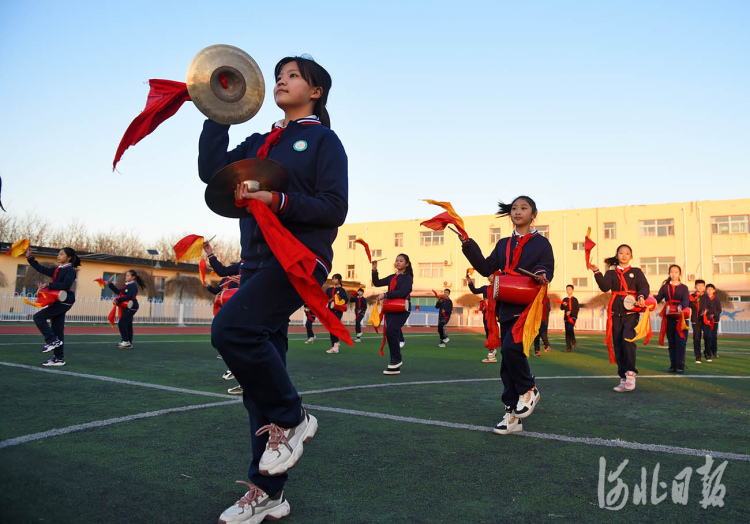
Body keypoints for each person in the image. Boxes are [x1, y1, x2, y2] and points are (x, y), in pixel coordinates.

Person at [198, 55, 347, 521]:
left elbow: (333, 207)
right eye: (279, 75)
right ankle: (269, 493)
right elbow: (212, 172)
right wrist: (215, 112)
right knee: (257, 387)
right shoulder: (260, 140)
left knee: (231, 331)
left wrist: (275, 199)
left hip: (298, 260)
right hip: (257, 263)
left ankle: (295, 417)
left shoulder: (322, 139)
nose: (281, 81)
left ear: (316, 91)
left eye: (293, 76)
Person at [460, 196, 553, 435]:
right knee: (506, 364)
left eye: (524, 208)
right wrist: (467, 243)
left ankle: (529, 389)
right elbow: (486, 268)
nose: (518, 211)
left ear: (533, 214)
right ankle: (512, 416)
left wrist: (541, 274)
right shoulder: (503, 244)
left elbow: (546, 266)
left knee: (511, 349)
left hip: (528, 307)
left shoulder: (542, 243)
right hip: (506, 306)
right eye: (514, 208)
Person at [589, 244, 649, 393]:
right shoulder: (611, 274)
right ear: (617, 256)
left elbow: (644, 287)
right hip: (615, 314)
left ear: (631, 256)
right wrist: (596, 271)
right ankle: (622, 377)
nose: (624, 255)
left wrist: (641, 296)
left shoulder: (636, 272)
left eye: (627, 253)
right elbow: (604, 287)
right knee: (618, 344)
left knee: (627, 340)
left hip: (631, 314)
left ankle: (630, 374)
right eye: (621, 253)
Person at [25, 246, 80, 367]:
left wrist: (49, 285)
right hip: (58, 301)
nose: (58, 256)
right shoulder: (58, 269)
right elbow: (41, 269)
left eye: (61, 254)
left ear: (69, 258)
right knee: (58, 330)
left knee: (38, 317)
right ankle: (58, 358)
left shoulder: (70, 270)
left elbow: (66, 285)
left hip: (65, 301)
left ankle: (52, 340)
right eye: (58, 254)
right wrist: (29, 258)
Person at [372, 254, 413, 375]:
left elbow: (403, 292)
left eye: (401, 261)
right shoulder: (392, 277)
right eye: (396, 261)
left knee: (391, 331)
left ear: (407, 264)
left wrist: (386, 295)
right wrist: (374, 269)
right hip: (390, 308)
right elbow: (377, 283)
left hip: (402, 308)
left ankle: (396, 359)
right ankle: (395, 364)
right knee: (390, 332)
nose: (398, 262)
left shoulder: (408, 278)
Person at [654, 265, 690, 373]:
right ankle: (673, 365)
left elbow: (686, 300)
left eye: (676, 272)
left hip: (681, 317)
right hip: (669, 316)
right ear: (669, 273)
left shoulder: (684, 288)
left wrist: (681, 306)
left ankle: (680, 365)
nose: (673, 274)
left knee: (681, 342)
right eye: (671, 272)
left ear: (680, 274)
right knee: (672, 342)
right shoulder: (665, 287)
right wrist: (649, 299)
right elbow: (658, 298)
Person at [108, 269, 146, 349]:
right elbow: (119, 292)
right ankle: (129, 342)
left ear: (133, 277)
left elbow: (130, 296)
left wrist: (118, 300)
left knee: (122, 323)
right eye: (126, 275)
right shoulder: (127, 285)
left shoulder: (132, 285)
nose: (126, 277)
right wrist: (110, 285)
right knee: (128, 324)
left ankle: (125, 341)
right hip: (126, 306)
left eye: (128, 276)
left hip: (132, 306)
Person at [468, 274, 498, 363]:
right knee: (488, 330)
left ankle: (493, 350)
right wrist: (470, 282)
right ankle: (492, 351)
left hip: (495, 313)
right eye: (488, 276)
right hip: (487, 313)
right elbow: (474, 291)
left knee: (493, 330)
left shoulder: (498, 288)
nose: (489, 277)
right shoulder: (485, 288)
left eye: (491, 276)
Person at [325, 273, 348, 353]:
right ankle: (334, 346)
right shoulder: (329, 290)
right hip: (330, 311)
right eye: (333, 279)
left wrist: (339, 301)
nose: (334, 280)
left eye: (335, 279)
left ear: (339, 280)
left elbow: (345, 300)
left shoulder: (342, 290)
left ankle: (336, 344)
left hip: (338, 311)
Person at [689, 280, 707, 364]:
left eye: (702, 286)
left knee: (708, 337)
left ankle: (708, 353)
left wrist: (707, 311)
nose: (700, 287)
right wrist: (694, 303)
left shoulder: (707, 297)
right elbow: (687, 306)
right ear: (695, 287)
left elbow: (711, 308)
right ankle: (698, 356)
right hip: (695, 320)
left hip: (705, 320)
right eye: (698, 285)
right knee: (696, 338)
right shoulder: (691, 297)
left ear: (704, 287)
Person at [703, 284, 722, 361]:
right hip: (706, 320)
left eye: (711, 289)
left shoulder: (717, 300)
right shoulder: (704, 299)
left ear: (714, 290)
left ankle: (714, 351)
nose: (709, 290)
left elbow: (719, 310)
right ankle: (707, 351)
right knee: (707, 336)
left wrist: (714, 315)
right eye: (708, 289)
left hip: (714, 320)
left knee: (713, 336)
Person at [561, 285, 579, 352]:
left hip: (572, 316)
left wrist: (570, 312)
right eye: (567, 289)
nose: (568, 291)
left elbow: (577, 309)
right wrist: (563, 305)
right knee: (567, 332)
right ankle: (568, 347)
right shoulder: (565, 299)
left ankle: (573, 341)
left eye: (569, 289)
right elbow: (561, 308)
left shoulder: (575, 299)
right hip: (566, 317)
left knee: (570, 328)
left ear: (572, 290)